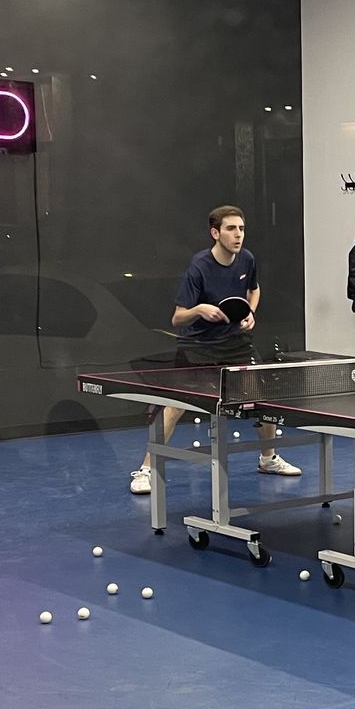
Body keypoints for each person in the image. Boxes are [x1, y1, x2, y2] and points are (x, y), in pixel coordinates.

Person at [129, 206, 299, 494]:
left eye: (241, 229)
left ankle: (268, 459)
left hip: (235, 342)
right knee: (175, 406)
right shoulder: (199, 267)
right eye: (231, 229)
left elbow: (254, 289)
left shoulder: (247, 259)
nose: (238, 235)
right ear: (215, 233)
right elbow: (177, 317)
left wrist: (251, 312)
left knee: (261, 397)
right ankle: (146, 469)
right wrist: (199, 310)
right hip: (199, 346)